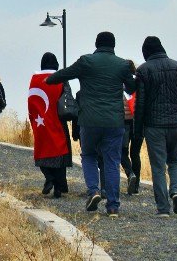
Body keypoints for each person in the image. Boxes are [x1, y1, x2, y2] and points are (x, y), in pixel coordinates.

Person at [47, 31, 135, 217]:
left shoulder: (86, 62)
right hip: (114, 121)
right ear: (113, 45)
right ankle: (112, 206)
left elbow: (61, 75)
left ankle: (94, 191)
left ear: (96, 44)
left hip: (89, 120)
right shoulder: (122, 65)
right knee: (112, 160)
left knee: (88, 155)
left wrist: (48, 79)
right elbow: (132, 88)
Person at [134, 36, 177, 217]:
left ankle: (163, 208)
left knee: (158, 166)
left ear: (146, 52)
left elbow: (140, 104)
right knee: (175, 160)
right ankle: (176, 191)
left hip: (154, 126)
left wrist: (137, 131)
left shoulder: (143, 70)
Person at [28, 53, 73, 198]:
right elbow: (67, 100)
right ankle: (59, 187)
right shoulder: (60, 79)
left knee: (42, 151)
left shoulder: (34, 79)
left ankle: (49, 177)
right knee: (60, 152)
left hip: (40, 122)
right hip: (57, 121)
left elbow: (31, 101)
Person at [120, 60, 140, 195]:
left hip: (125, 122)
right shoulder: (139, 82)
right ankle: (136, 187)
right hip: (138, 122)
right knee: (135, 153)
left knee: (123, 152)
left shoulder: (120, 83)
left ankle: (130, 173)